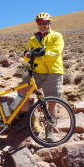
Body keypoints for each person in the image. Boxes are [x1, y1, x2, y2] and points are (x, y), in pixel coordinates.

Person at [21, 12, 64, 141]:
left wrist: (43, 52)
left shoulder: (57, 36)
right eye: (40, 23)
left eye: (45, 23)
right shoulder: (33, 39)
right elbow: (26, 54)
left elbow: (57, 52)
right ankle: (33, 121)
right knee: (21, 93)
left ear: (49, 24)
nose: (42, 25)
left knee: (52, 102)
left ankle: (49, 130)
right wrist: (27, 56)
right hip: (36, 72)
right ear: (37, 25)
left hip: (53, 73)